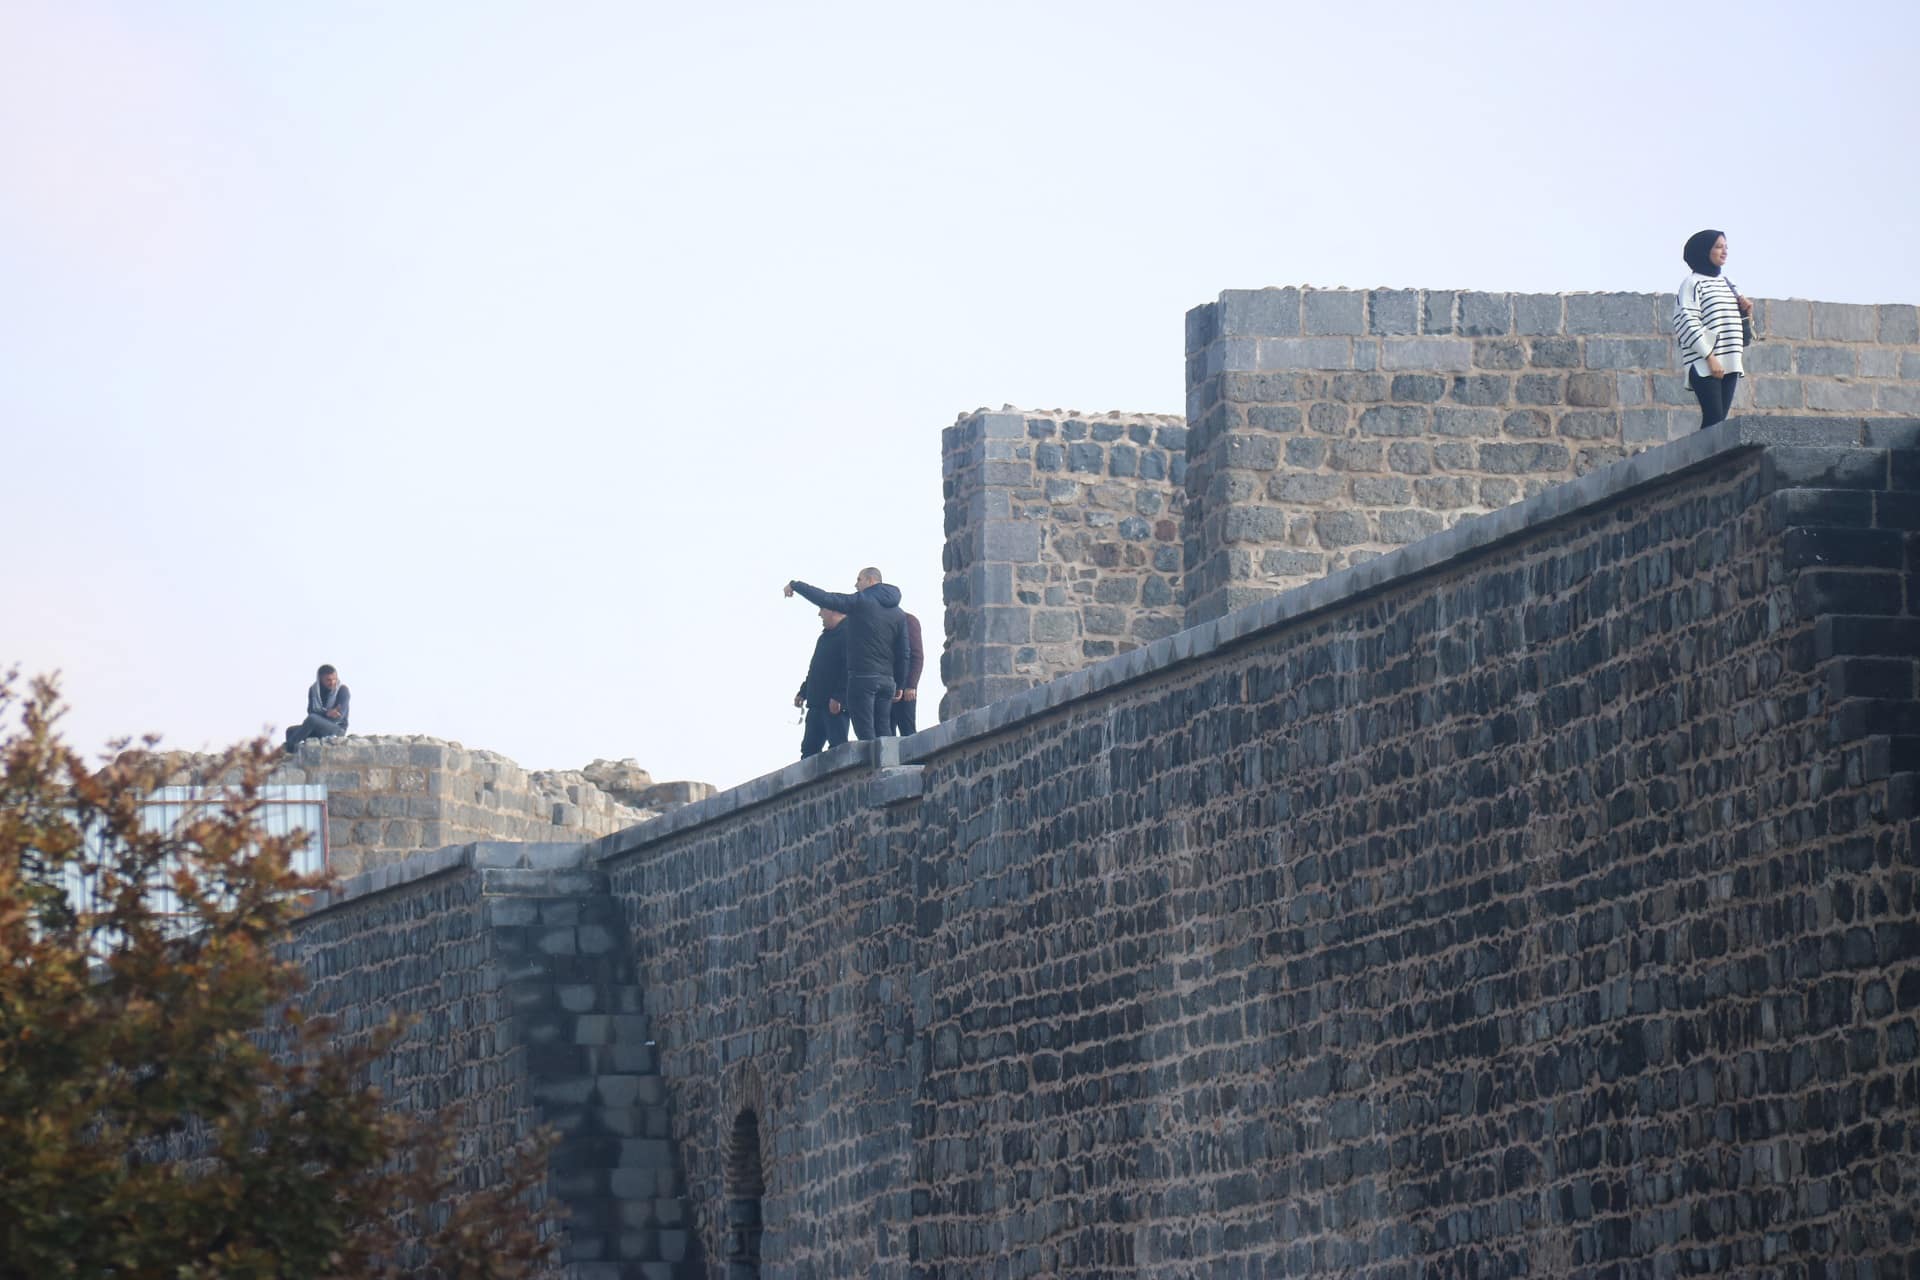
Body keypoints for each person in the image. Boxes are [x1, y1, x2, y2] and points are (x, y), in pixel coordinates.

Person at [783, 568, 908, 742]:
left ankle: (875, 768)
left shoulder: (861, 602)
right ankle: (888, 766)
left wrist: (795, 585)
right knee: (884, 729)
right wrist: (900, 684)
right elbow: (903, 652)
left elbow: (826, 598)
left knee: (866, 734)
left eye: (859, 579)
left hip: (863, 678)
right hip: (887, 681)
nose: (856, 584)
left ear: (871, 580)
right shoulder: (899, 614)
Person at [1673, 229, 1753, 430]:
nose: (1724, 251)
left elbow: (1741, 334)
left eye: (1726, 247)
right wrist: (1709, 357)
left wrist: (1746, 312)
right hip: (1704, 362)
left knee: (1717, 425)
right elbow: (1686, 321)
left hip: (1731, 361)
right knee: (1714, 419)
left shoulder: (1729, 284)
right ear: (1704, 250)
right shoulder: (1692, 283)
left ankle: (1707, 461)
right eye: (1718, 247)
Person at [795, 607, 851, 757]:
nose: (819, 614)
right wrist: (803, 691)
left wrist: (839, 696)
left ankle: (839, 780)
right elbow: (816, 669)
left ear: (833, 611)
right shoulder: (825, 637)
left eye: (822, 609)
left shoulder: (849, 634)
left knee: (838, 749)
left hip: (834, 706)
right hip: (816, 704)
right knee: (808, 750)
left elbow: (849, 669)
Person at [285, 664, 350, 752]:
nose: (332, 682)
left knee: (312, 719)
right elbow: (311, 711)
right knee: (290, 731)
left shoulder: (342, 690)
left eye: (334, 679)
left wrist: (324, 715)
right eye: (328, 680)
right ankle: (293, 755)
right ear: (320, 679)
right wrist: (326, 713)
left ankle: (287, 749)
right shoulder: (313, 690)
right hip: (318, 727)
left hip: (337, 729)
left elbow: (339, 716)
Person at [890, 609, 924, 737]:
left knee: (907, 729)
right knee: (887, 731)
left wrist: (911, 685)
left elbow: (917, 656)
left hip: (905, 688)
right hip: (887, 685)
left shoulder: (909, 621)